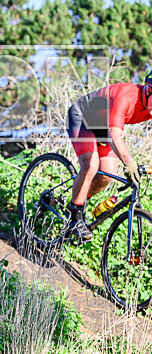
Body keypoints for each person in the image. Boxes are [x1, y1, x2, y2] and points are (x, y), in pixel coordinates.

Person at [65, 78, 152, 241]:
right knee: (90, 165)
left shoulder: (149, 104)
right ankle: (74, 215)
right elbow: (114, 135)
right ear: (148, 91)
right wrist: (129, 162)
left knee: (107, 175)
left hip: (103, 127)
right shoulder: (126, 97)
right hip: (81, 119)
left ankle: (77, 200)